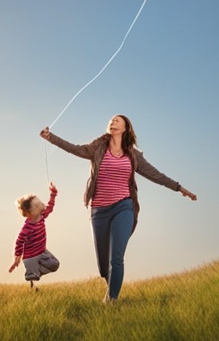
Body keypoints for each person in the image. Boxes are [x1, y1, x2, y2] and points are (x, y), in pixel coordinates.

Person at [40, 115, 196, 303]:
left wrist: (179, 188)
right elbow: (75, 149)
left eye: (117, 121)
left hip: (124, 206)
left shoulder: (132, 155)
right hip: (99, 210)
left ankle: (112, 300)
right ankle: (110, 286)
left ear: (125, 128)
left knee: (117, 257)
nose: (112, 123)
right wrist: (51, 137)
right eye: (111, 121)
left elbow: (156, 175)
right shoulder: (98, 147)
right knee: (103, 267)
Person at [9, 182, 60, 289]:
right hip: (30, 256)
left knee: (55, 265)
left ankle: (36, 272)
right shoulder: (26, 228)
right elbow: (19, 241)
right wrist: (17, 256)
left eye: (40, 202)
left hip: (42, 252)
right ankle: (32, 280)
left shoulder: (42, 216)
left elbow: (50, 207)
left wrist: (53, 194)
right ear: (29, 213)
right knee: (33, 278)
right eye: (36, 205)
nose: (41, 205)